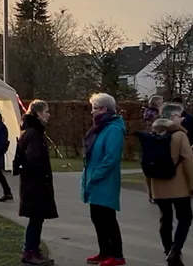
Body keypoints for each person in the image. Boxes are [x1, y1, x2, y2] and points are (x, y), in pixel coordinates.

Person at [144, 103, 193, 266]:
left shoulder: (153, 134)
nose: (181, 119)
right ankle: (175, 249)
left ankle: (168, 251)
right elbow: (188, 161)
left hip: (158, 185)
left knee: (165, 220)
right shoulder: (179, 135)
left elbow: (146, 162)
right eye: (179, 116)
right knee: (185, 218)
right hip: (179, 185)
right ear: (173, 117)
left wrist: (150, 188)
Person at [81, 92, 126, 266]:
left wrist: (97, 174)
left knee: (107, 218)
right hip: (95, 180)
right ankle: (104, 251)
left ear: (104, 109)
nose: (92, 112)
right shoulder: (100, 127)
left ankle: (117, 255)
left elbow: (111, 158)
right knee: (97, 217)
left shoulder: (113, 129)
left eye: (94, 108)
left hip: (105, 181)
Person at [13, 99, 58, 266]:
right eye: (46, 111)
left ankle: (33, 248)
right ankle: (30, 251)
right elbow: (33, 159)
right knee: (36, 219)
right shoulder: (33, 134)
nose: (49, 115)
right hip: (35, 184)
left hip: (33, 183)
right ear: (38, 113)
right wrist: (41, 175)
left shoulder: (30, 132)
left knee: (37, 219)